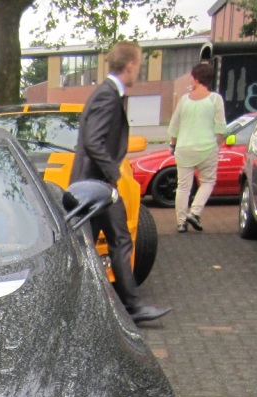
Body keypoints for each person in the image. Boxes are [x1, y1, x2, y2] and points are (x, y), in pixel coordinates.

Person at [71, 41, 170, 324]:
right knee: (100, 244)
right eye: (139, 64)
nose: (139, 70)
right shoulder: (107, 96)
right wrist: (114, 175)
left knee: (114, 241)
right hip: (96, 188)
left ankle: (130, 304)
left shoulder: (107, 94)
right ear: (129, 65)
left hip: (93, 187)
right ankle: (126, 305)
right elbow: (93, 141)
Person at [167, 62, 227, 234]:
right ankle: (194, 212)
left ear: (196, 78)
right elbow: (221, 128)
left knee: (183, 187)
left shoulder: (184, 100)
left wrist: (173, 144)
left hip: (184, 148)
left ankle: (180, 222)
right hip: (207, 147)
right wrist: (218, 144)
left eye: (192, 78)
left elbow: (174, 125)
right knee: (208, 181)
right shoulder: (215, 99)